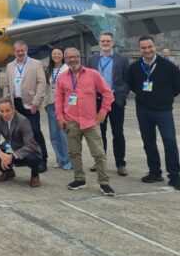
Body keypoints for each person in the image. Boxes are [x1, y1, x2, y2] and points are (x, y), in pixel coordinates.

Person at [56, 48, 116, 196]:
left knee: (99, 154)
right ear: (65, 59)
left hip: (90, 122)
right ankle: (79, 179)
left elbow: (108, 93)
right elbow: (59, 99)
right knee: (74, 153)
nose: (72, 60)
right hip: (71, 122)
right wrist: (60, 117)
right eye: (69, 58)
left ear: (79, 57)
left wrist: (103, 112)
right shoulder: (62, 77)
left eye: (75, 57)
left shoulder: (93, 74)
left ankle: (104, 182)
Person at [127, 36, 180, 190]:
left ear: (155, 46)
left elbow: (177, 87)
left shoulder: (168, 66)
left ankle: (174, 175)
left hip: (163, 110)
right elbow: (132, 84)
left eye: (149, 47)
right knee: (148, 142)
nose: (147, 50)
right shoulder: (134, 67)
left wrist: (164, 97)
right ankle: (155, 172)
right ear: (140, 49)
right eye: (143, 48)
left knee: (169, 141)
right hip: (143, 110)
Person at [86, 32, 130, 176]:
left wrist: (122, 94)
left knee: (118, 133)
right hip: (97, 101)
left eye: (108, 41)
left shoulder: (122, 59)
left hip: (115, 100)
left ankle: (120, 164)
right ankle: (100, 161)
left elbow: (127, 79)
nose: (105, 43)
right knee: (99, 133)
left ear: (113, 43)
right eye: (103, 41)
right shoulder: (92, 59)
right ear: (99, 43)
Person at [3, 40, 48, 172]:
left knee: (35, 131)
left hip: (30, 104)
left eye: (23, 50)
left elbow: (42, 83)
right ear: (14, 51)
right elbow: (6, 84)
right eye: (18, 51)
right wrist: (8, 102)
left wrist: (36, 101)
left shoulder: (36, 63)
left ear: (26, 50)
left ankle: (42, 159)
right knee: (14, 133)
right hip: (15, 104)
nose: (20, 53)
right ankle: (18, 158)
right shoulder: (10, 66)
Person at [0, 99, 42, 188]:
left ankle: (35, 175)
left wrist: (12, 156)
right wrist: (0, 153)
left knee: (32, 158)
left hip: (24, 149)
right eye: (2, 111)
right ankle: (8, 172)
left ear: (14, 109)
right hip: (9, 146)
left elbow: (30, 145)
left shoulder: (23, 120)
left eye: (7, 111)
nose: (4, 114)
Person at [44, 47, 72, 170]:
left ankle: (68, 161)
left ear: (63, 55)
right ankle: (59, 159)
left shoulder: (67, 69)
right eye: (54, 54)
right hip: (51, 105)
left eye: (59, 53)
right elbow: (45, 88)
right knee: (54, 134)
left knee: (64, 134)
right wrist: (45, 103)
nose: (56, 55)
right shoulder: (48, 70)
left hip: (64, 105)